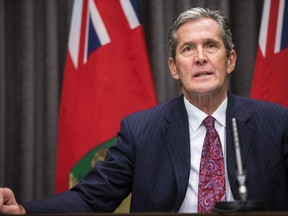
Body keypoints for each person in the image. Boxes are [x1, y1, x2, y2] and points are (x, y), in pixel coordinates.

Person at [0, 7, 288, 214]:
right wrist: (24, 210)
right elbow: (91, 199)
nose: (200, 58)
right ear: (174, 68)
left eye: (210, 46)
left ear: (230, 60)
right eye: (188, 49)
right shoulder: (140, 130)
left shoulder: (276, 122)